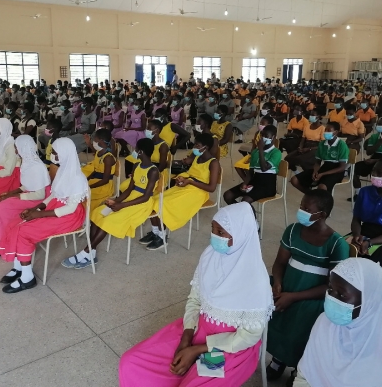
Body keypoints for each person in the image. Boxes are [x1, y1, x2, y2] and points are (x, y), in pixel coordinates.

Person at [119, 203, 274, 386]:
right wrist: (186, 339)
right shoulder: (210, 256)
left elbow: (248, 337)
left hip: (225, 347)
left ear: (241, 235)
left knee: (194, 383)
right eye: (213, 229)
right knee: (132, 363)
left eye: (221, 233)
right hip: (197, 330)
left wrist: (196, 350)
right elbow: (195, 300)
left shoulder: (255, 279)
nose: (215, 237)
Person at [293, 258, 382, 387]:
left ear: (369, 301)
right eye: (331, 289)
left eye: (342, 295)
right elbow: (305, 376)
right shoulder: (325, 324)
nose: (332, 298)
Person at [266, 190, 349, 382]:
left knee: (302, 322)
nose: (301, 211)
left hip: (315, 295)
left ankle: (300, 367)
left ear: (322, 214)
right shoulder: (293, 230)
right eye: (301, 206)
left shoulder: (336, 244)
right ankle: (279, 359)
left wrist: (293, 297)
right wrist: (278, 283)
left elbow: (332, 286)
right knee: (274, 316)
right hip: (289, 285)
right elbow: (280, 263)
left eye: (306, 208)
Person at [0, 138, 88, 293]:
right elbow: (53, 196)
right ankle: (19, 267)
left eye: (55, 153)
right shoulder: (62, 171)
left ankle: (27, 279)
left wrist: (38, 215)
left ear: (65, 154)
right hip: (55, 207)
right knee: (15, 222)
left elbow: (70, 209)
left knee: (25, 231)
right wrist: (37, 208)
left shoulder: (78, 178)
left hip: (69, 216)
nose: (51, 155)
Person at [62, 138, 160, 269]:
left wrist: (121, 205)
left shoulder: (153, 171)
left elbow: (146, 197)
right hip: (129, 199)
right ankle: (92, 252)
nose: (134, 151)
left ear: (140, 151)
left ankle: (85, 253)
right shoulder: (137, 166)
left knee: (108, 221)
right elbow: (130, 189)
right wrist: (116, 201)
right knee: (97, 213)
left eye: (136, 149)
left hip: (141, 204)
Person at [140, 133, 220, 250]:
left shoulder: (213, 163)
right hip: (188, 186)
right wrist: (182, 179)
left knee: (161, 204)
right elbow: (191, 174)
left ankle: (162, 238)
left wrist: (190, 182)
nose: (194, 147)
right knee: (153, 199)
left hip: (199, 192)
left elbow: (211, 188)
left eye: (197, 145)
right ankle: (155, 231)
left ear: (206, 147)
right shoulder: (197, 157)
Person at [0, 135, 51, 258]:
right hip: (30, 195)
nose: (16, 151)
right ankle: (3, 240)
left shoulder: (37, 167)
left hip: (39, 199)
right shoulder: (27, 162)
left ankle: (6, 242)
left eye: (17, 148)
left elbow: (40, 194)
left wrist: (17, 196)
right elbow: (26, 186)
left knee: (2, 207)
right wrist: (10, 193)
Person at [223, 125, 281, 207]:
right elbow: (250, 171)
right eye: (262, 135)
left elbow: (264, 168)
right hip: (255, 181)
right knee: (228, 195)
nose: (263, 138)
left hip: (267, 186)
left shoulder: (276, 152)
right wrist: (245, 183)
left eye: (266, 136)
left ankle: (252, 219)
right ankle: (242, 215)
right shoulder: (255, 152)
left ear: (274, 137)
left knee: (245, 201)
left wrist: (260, 149)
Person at [291, 122, 349, 194]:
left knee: (322, 187)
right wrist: (315, 171)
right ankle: (311, 194)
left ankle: (322, 200)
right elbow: (318, 162)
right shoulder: (322, 144)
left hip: (336, 171)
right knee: (294, 180)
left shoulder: (341, 145)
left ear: (335, 132)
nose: (326, 132)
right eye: (325, 130)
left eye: (329, 130)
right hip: (324, 167)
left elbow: (342, 168)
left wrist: (322, 174)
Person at [351, 117, 382, 201]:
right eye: (378, 124)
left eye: (381, 124)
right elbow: (369, 152)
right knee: (352, 170)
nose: (378, 126)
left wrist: (374, 161)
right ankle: (358, 192)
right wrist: (379, 143)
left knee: (379, 174)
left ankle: (379, 194)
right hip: (374, 158)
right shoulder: (374, 137)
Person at [82, 128, 117, 212]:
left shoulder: (108, 158)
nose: (94, 141)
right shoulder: (99, 152)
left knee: (82, 197)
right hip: (95, 181)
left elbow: (105, 180)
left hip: (104, 187)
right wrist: (86, 180)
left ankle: (84, 219)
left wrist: (89, 187)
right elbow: (95, 170)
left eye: (95, 139)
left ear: (101, 141)